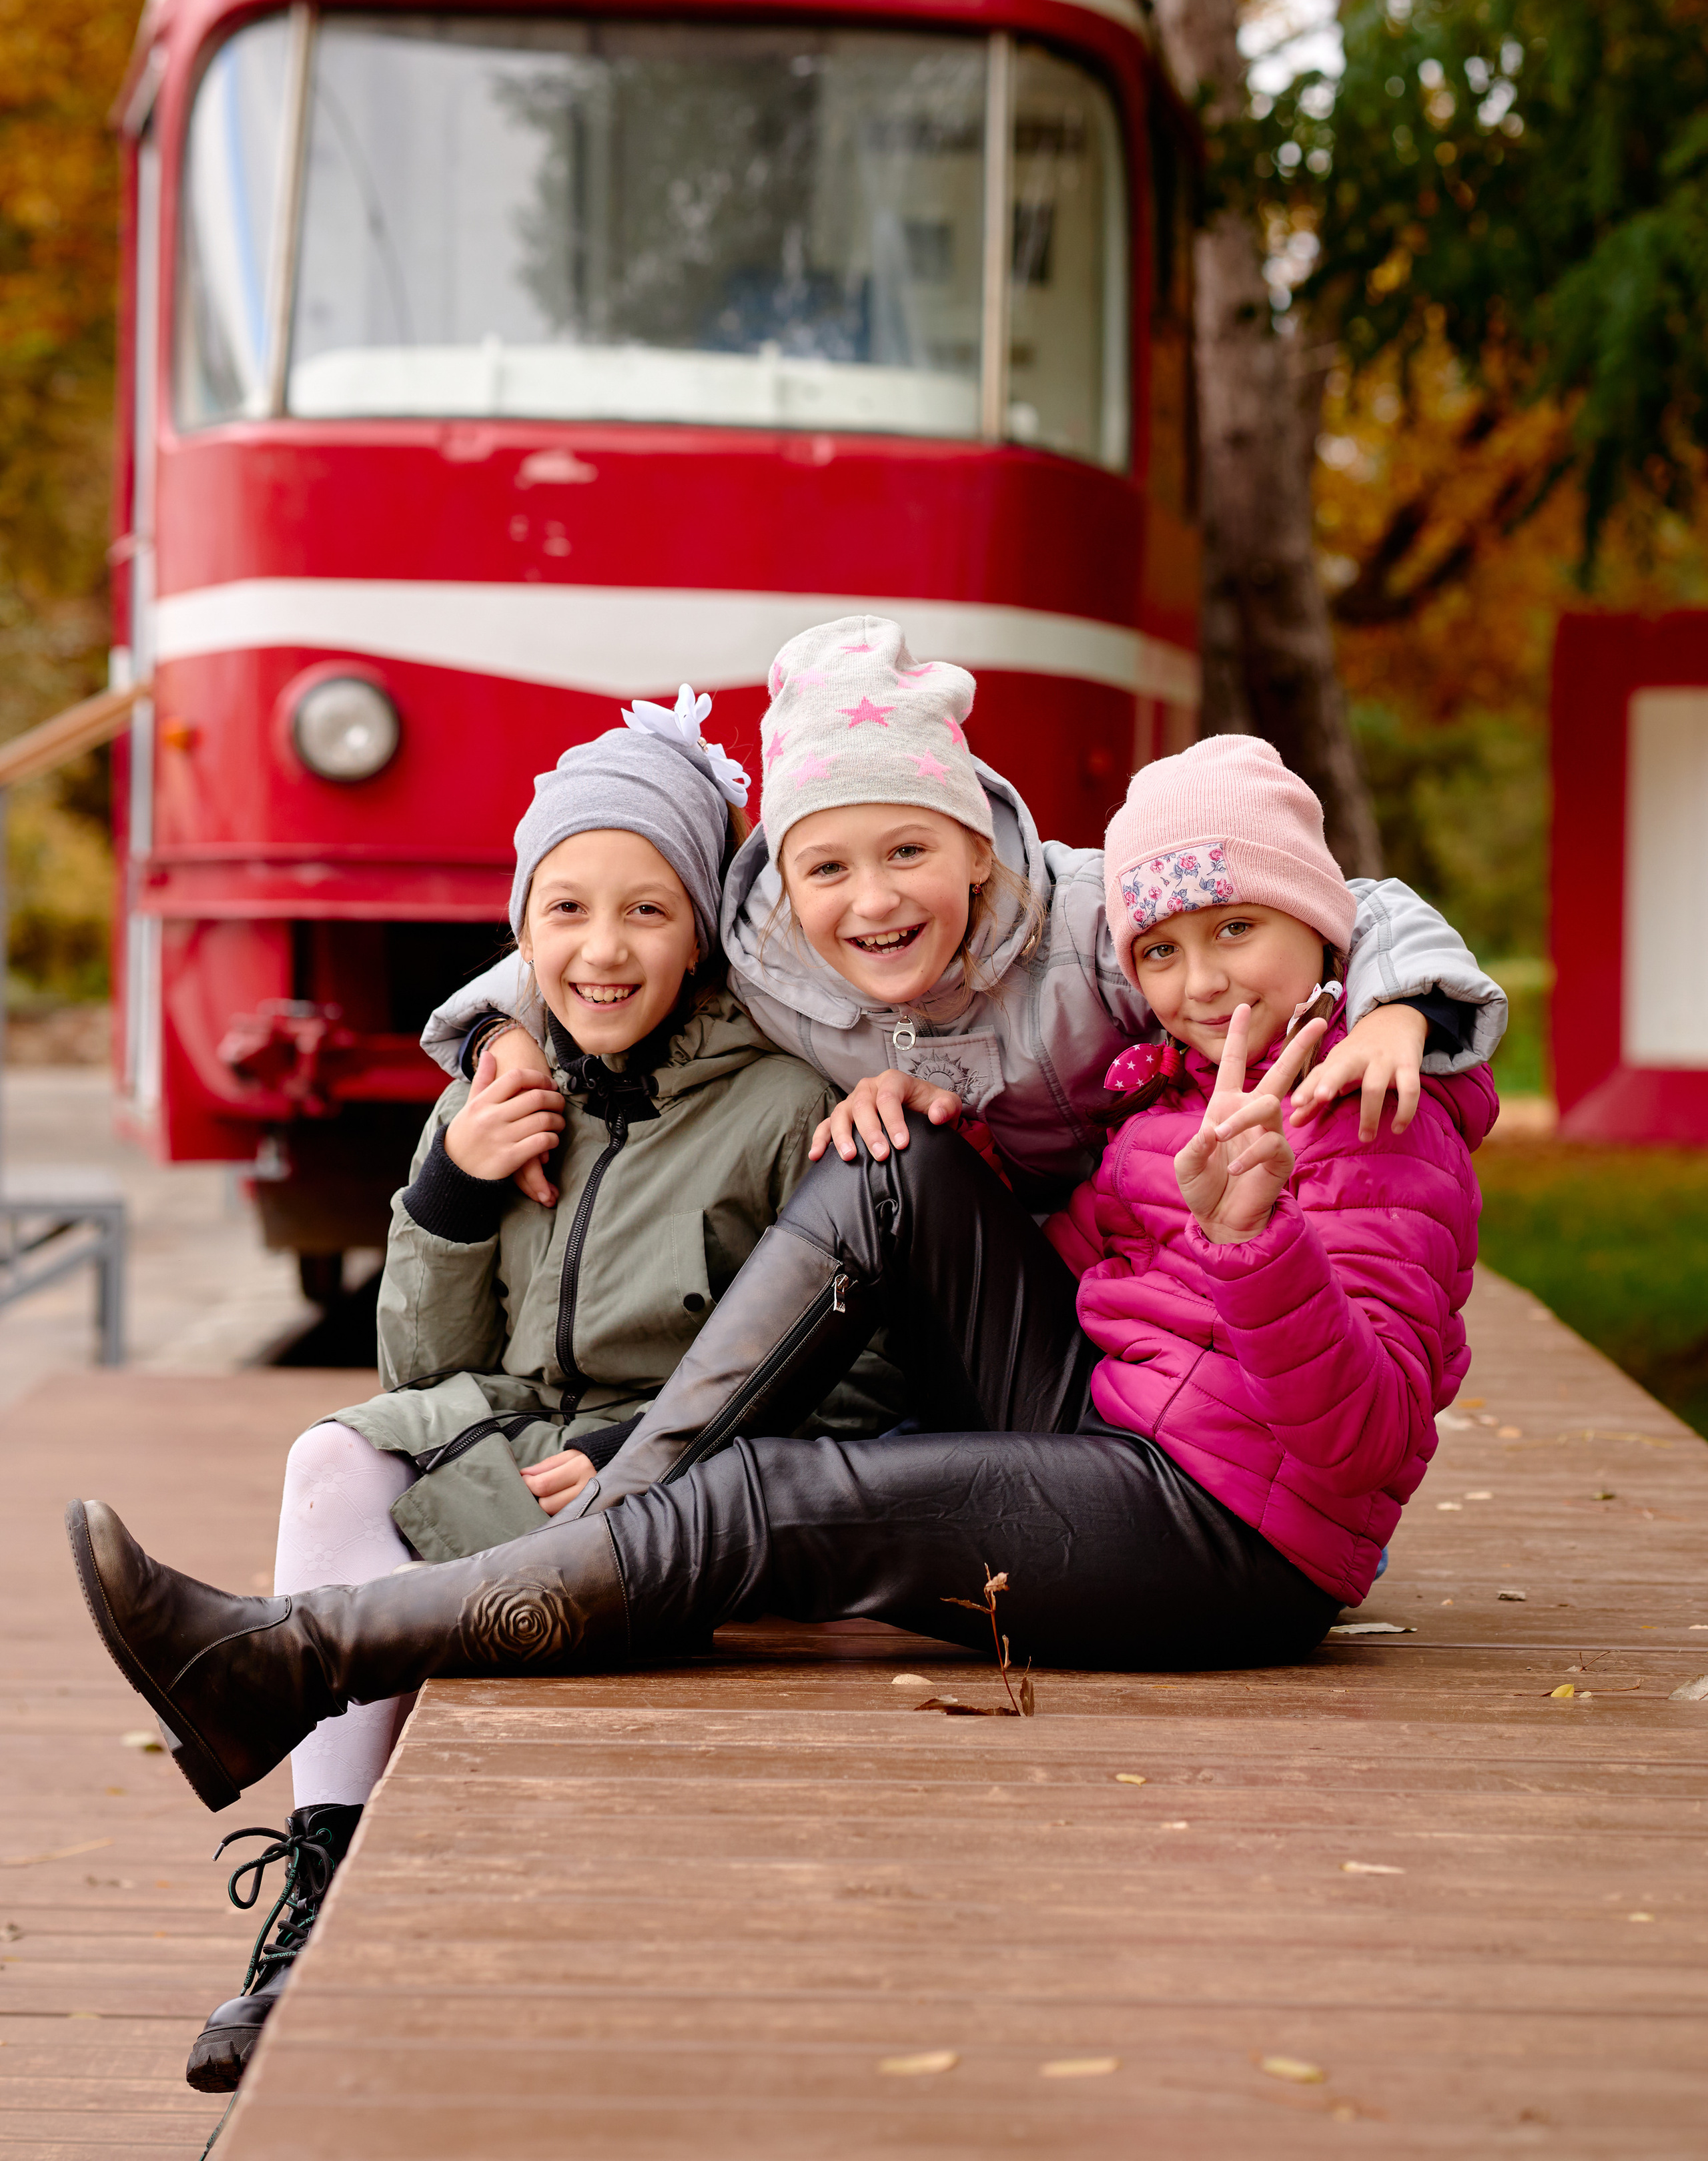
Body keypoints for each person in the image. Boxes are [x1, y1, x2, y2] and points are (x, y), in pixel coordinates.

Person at [67, 729, 1494, 1838]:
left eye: (1236, 932)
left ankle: (298, 1657)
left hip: (1235, 1543)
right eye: (1163, 950)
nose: (1199, 980)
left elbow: (1360, 1444)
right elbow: (628, 939)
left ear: (1322, 931)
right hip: (1118, 1433)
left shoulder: (1375, 1111)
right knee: (893, 1156)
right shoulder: (1165, 1080)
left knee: (772, 1499)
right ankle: (630, 1513)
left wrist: (1257, 1244)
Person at [169, 688, 893, 2096]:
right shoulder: (496, 1095)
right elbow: (422, 1380)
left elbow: (862, 1387)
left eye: (645, 909)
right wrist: (446, 1190)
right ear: (519, 931)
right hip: (517, 1446)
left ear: (701, 932)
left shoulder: (782, 1108)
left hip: (684, 1503)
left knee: (397, 1521)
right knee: (330, 1459)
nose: (601, 950)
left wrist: (651, 1444)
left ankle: (306, 1782)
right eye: (563, 910)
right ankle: (318, 1897)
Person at [423, 616, 1505, 1199]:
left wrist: (1404, 1010)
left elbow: (1332, 905)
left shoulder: (1090, 924)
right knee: (873, 1168)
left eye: (910, 851)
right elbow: (596, 949)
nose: (875, 899)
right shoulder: (767, 963)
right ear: (788, 890)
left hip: (1141, 1238)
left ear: (978, 852)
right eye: (829, 869)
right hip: (960, 1263)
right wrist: (506, 1035)